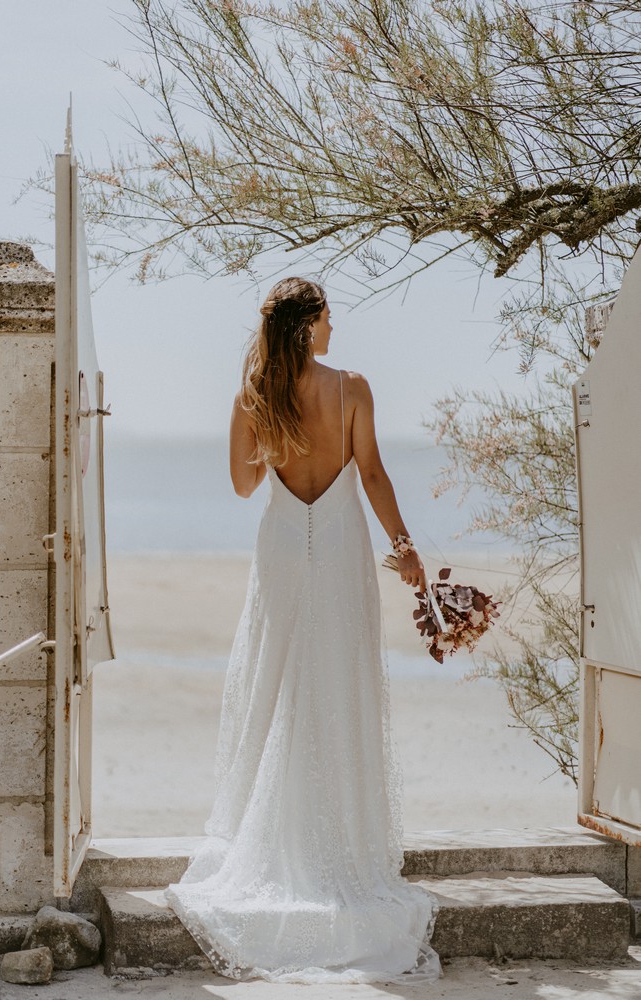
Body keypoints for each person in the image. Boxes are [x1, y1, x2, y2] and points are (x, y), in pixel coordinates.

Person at [165, 277, 441, 984]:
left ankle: (280, 831)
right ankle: (340, 840)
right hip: (344, 538)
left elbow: (241, 485)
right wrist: (405, 547)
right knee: (339, 676)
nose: (333, 329)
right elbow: (372, 472)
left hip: (285, 543)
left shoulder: (252, 395)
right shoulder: (352, 388)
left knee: (279, 679)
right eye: (327, 318)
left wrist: (270, 427)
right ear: (311, 322)